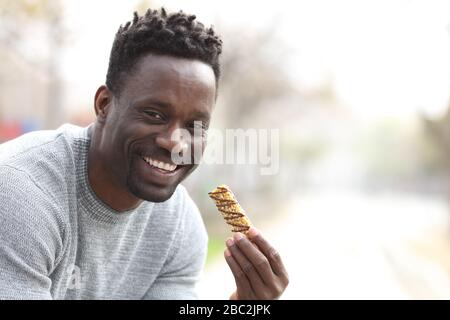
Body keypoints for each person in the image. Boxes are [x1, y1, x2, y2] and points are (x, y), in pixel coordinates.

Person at [0, 7, 288, 300]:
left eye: (195, 126)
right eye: (154, 114)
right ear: (104, 104)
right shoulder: (23, 194)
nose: (175, 143)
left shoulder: (178, 225)